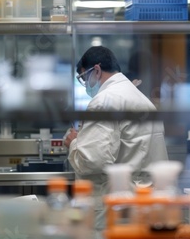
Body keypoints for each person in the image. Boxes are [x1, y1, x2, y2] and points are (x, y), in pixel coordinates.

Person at [63, 46, 169, 235]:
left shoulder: (104, 100)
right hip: (145, 202)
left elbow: (93, 161)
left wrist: (74, 143)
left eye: (83, 78)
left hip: (116, 207)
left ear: (96, 70)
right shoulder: (141, 98)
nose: (85, 85)